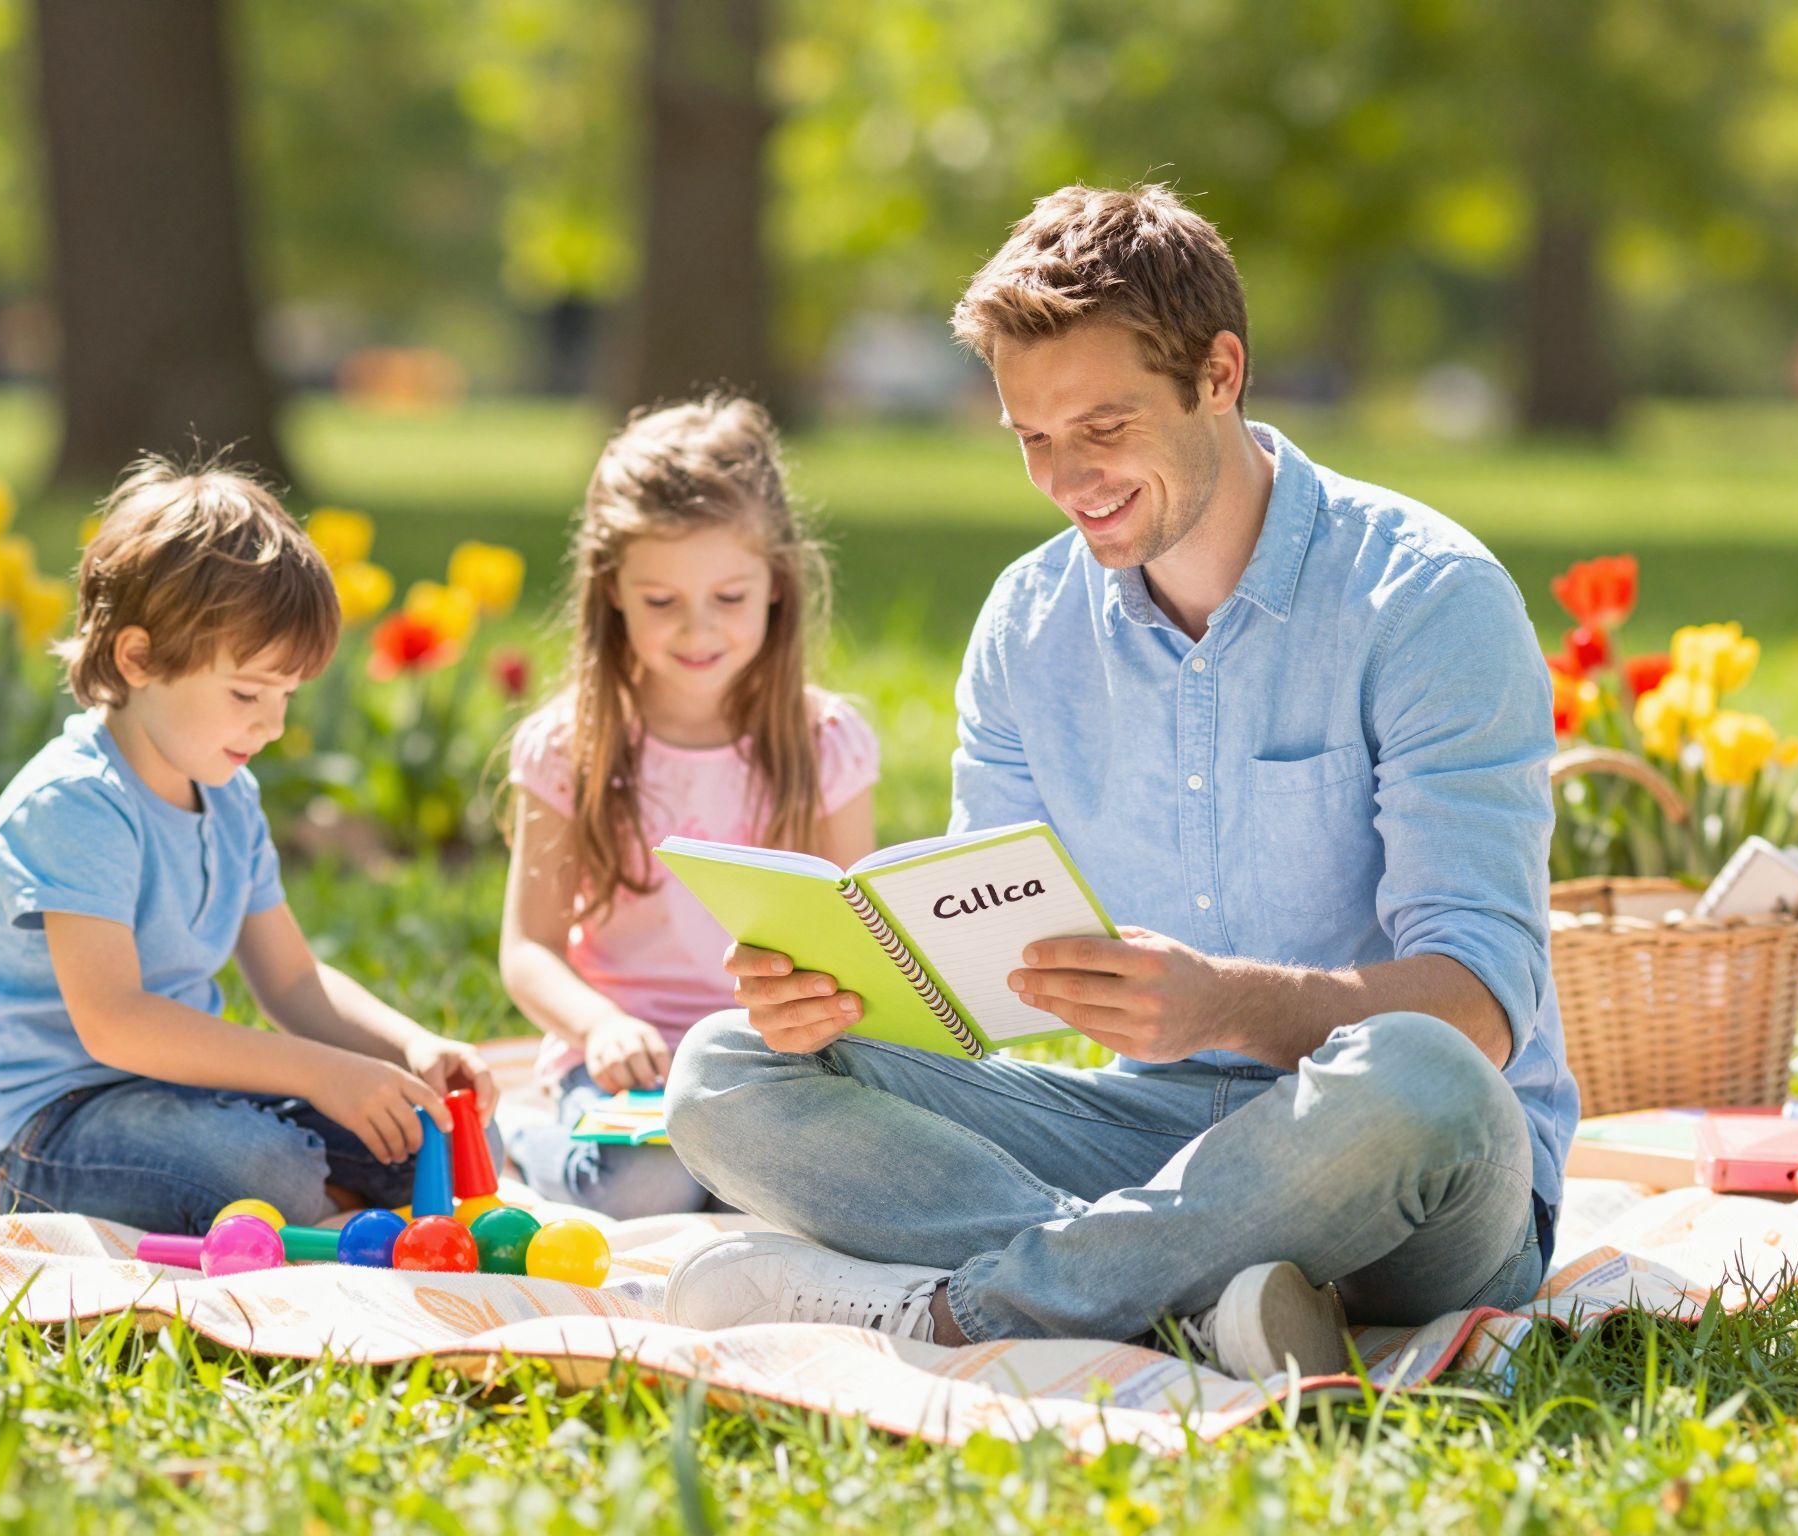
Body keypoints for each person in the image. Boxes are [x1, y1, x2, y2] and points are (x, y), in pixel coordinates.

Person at [661, 185, 1579, 1379]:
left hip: (1396, 1165)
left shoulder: (1424, 601)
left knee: (1420, 1071)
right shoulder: (1027, 623)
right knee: (725, 1068)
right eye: (1030, 438)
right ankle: (1187, 1302)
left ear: (1219, 374)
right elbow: (985, 964)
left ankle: (970, 1313)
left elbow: (1477, 1005)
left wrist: (1223, 1003)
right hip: (1138, 1141)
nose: (1064, 477)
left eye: (1102, 427)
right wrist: (845, 988)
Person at [0, 456, 500, 1236]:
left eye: (286, 697)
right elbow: (116, 1024)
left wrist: (413, 1046)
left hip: (183, 1093)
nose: (270, 726)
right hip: (52, 1124)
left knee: (440, 1128)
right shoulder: (75, 803)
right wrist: (316, 1072)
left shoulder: (229, 794)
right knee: (268, 1172)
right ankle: (317, 1210)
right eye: (246, 694)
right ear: (138, 659)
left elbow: (294, 982)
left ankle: (321, 1208)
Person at [497, 395, 879, 1219]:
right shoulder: (570, 747)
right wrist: (599, 1027)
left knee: (852, 1179)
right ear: (614, 595)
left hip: (766, 1060)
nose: (697, 629)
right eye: (662, 601)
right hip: (622, 1072)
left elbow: (856, 944)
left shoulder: (826, 743)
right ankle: (522, 1141)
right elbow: (527, 949)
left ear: (777, 584)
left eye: (729, 597)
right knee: (650, 1186)